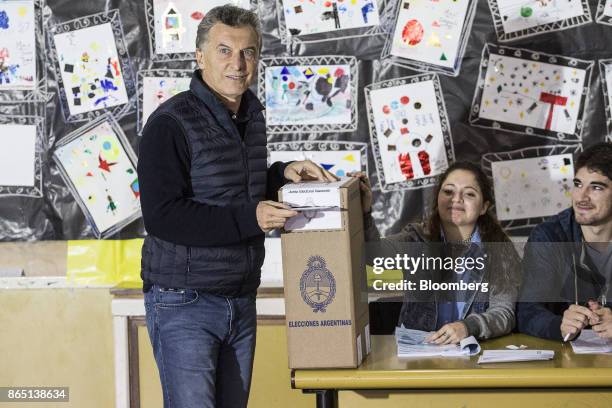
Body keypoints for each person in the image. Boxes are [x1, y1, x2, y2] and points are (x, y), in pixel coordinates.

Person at [137, 5, 336, 407]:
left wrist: (282, 174)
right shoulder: (170, 123)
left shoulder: (251, 114)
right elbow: (163, 217)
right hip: (184, 301)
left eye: (248, 52)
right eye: (225, 51)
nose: (238, 64)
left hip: (241, 297)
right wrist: (252, 218)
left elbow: (231, 188)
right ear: (200, 57)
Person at [355, 161, 520, 344]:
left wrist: (467, 327)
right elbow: (374, 255)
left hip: (472, 356)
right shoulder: (416, 239)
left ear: (483, 207)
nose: (456, 199)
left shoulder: (500, 249)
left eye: (469, 194)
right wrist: (364, 211)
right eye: (448, 192)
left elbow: (503, 313)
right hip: (418, 356)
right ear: (438, 199)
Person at [517, 142, 612, 341]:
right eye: (578, 184)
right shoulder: (549, 236)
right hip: (564, 362)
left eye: (596, 187)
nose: (581, 197)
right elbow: (526, 311)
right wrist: (559, 325)